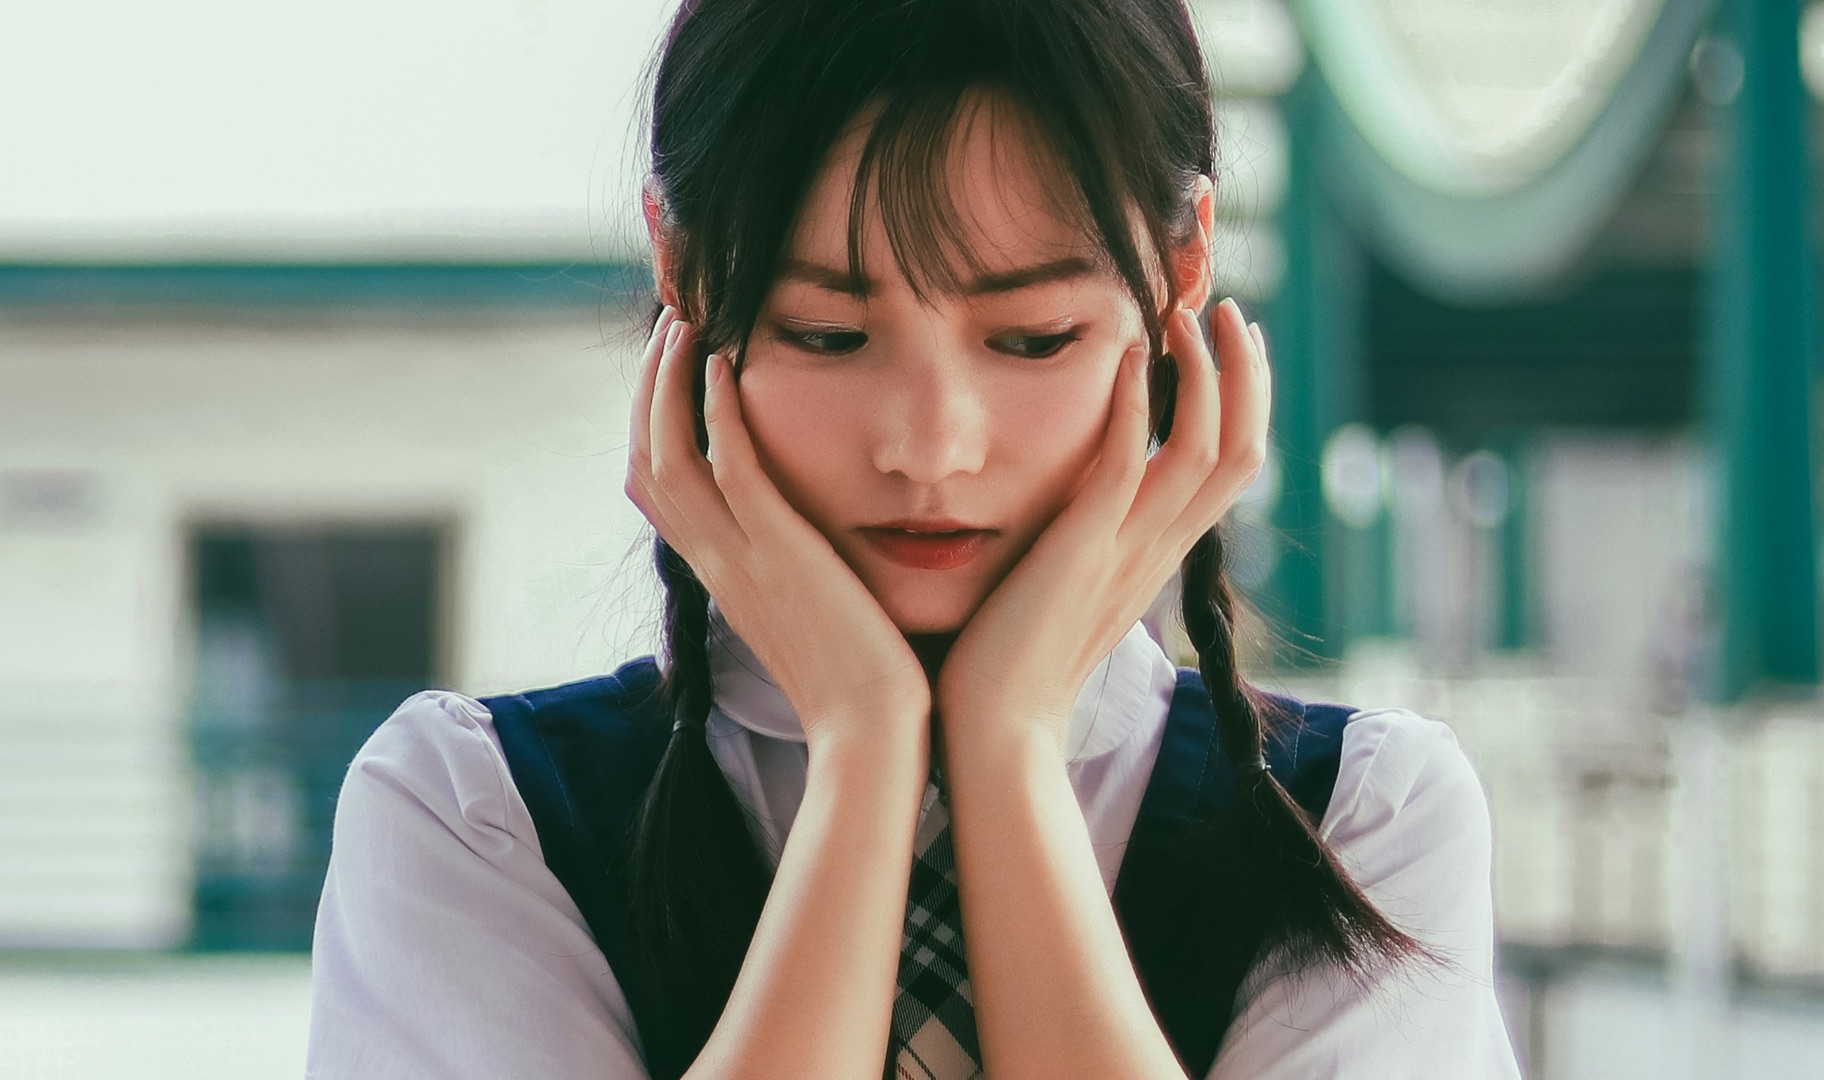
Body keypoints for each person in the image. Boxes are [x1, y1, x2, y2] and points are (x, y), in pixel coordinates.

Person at [306, 1, 1522, 1078]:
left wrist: (1007, 741)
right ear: (681, 270)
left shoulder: (1364, 823)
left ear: (1182, 267)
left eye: (1032, 338)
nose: (931, 449)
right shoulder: (476, 817)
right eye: (828, 335)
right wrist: (866, 739)